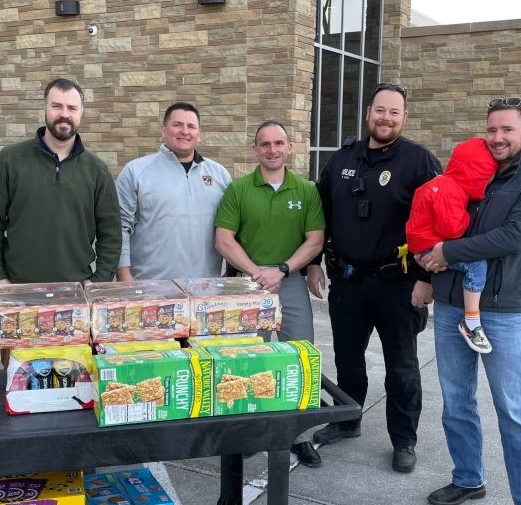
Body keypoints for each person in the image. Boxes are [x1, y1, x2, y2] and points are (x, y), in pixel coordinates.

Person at [420, 97, 521, 505]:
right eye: (491, 130)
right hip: (449, 307)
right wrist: (427, 274)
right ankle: (468, 478)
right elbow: (442, 224)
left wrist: (448, 254)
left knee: (515, 412)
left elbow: (513, 237)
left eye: (507, 130)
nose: (498, 138)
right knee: (456, 401)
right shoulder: (472, 176)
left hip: (503, 312)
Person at [306, 83, 441, 473]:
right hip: (347, 282)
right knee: (348, 361)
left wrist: (427, 277)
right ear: (368, 113)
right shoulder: (343, 158)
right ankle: (347, 421)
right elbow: (321, 216)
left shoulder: (419, 161)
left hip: (397, 285)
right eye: (380, 110)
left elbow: (441, 221)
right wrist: (313, 262)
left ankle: (404, 440)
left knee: (401, 367)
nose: (386, 118)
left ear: (404, 118)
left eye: (394, 112)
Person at [0, 78, 122, 365]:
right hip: (19, 292)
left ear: (81, 113)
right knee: (19, 376)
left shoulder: (96, 170)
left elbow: (111, 232)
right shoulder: (11, 160)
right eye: (57, 106)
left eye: (72, 107)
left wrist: (98, 281)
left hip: (75, 294)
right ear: (45, 108)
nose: (64, 114)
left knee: (72, 373)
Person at [214, 121, 326, 467]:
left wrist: (281, 270)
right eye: (265, 144)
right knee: (251, 360)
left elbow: (315, 240)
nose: (272, 149)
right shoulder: (239, 189)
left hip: (288, 280)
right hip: (249, 284)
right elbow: (224, 239)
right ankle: (253, 430)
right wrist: (256, 272)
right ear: (255, 149)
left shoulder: (306, 190)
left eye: (279, 143)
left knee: (300, 356)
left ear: (289, 148)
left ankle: (300, 436)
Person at [115, 102, 231, 281]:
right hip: (150, 290)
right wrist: (124, 277)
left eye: (191, 126)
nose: (185, 131)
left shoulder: (220, 175)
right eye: (177, 125)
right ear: (163, 130)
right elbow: (120, 228)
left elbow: (230, 230)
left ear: (199, 134)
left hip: (206, 290)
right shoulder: (135, 171)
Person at [406, 137, 499, 354]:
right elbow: (452, 230)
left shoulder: (443, 183)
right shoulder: (451, 189)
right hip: (430, 246)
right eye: (487, 177)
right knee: (476, 265)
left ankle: (471, 320)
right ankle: (472, 321)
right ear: (477, 173)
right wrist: (468, 216)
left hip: (423, 244)